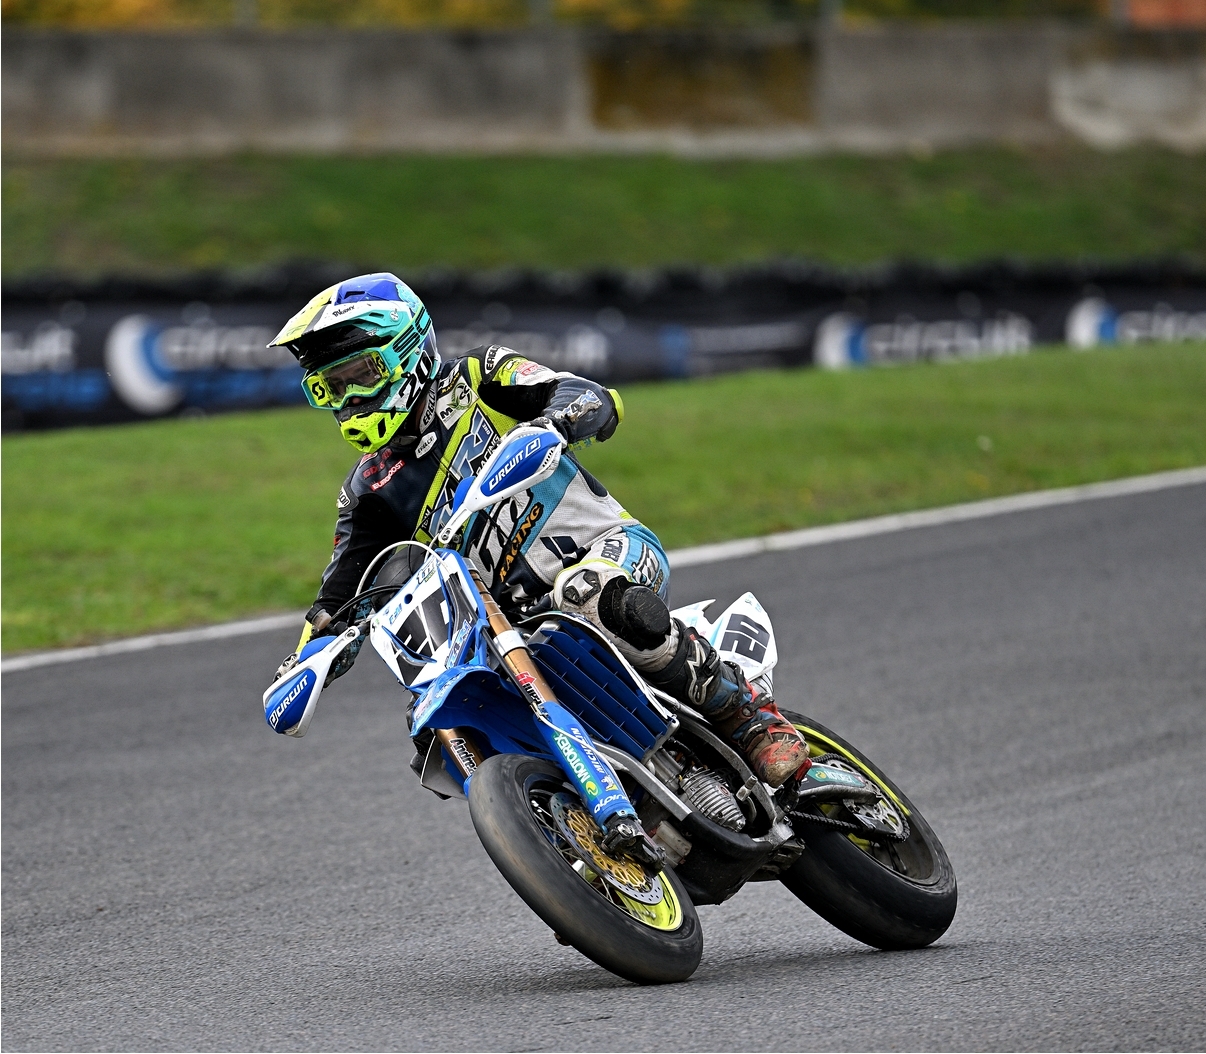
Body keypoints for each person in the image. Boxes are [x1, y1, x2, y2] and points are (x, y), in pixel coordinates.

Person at [267, 273, 810, 861]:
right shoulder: (368, 491)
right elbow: (340, 594)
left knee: (585, 593)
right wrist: (306, 659)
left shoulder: (478, 377)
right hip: (512, 626)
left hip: (606, 552)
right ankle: (564, 837)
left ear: (408, 351)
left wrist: (552, 424)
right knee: (434, 711)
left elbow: (590, 396)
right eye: (329, 388)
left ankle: (749, 716)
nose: (348, 400)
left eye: (360, 376)